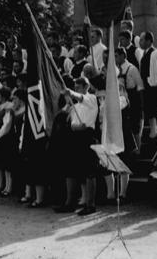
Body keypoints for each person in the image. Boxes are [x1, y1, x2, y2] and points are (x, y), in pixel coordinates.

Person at [65, 77, 100, 216]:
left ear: (86, 87)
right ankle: (70, 203)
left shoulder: (91, 98)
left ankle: (90, 205)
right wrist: (76, 127)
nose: (76, 89)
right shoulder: (76, 106)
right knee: (72, 169)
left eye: (78, 87)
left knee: (89, 171)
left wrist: (71, 93)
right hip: (77, 135)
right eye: (75, 86)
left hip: (88, 135)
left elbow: (80, 98)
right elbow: (73, 122)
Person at [115, 47, 145, 151]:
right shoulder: (115, 69)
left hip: (133, 97)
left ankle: (138, 148)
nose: (115, 59)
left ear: (123, 56)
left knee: (135, 125)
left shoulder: (131, 68)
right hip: (121, 99)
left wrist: (140, 103)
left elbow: (140, 85)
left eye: (117, 56)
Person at [139, 31, 157, 141]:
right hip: (147, 87)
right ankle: (153, 132)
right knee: (149, 110)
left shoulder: (154, 53)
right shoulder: (144, 53)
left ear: (149, 41)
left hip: (154, 86)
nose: (140, 42)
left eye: (142, 40)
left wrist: (151, 82)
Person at [0, 87, 14, 196]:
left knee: (6, 164)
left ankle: (8, 187)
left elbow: (7, 124)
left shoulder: (9, 106)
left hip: (5, 137)